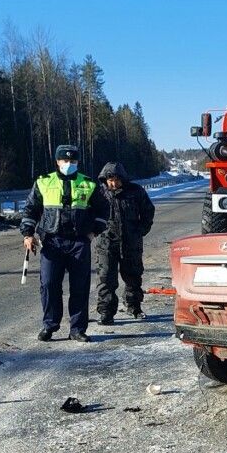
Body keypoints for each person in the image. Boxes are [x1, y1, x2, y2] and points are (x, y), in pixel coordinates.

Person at [21, 144, 109, 343]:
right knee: (49, 284)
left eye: (73, 161)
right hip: (52, 242)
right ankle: (50, 325)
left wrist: (93, 232)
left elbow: (104, 211)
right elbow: (30, 210)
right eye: (65, 160)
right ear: (57, 161)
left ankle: (77, 329)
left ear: (78, 162)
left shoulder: (89, 184)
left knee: (80, 287)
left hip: (79, 243)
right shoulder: (43, 183)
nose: (68, 164)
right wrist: (28, 234)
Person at [94, 161, 155, 325]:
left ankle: (134, 307)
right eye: (110, 180)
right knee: (106, 279)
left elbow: (148, 211)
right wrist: (95, 231)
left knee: (133, 277)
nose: (113, 183)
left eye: (116, 179)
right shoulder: (99, 193)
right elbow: (89, 213)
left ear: (122, 178)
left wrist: (140, 230)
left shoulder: (135, 192)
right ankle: (106, 312)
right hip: (106, 243)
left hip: (131, 242)